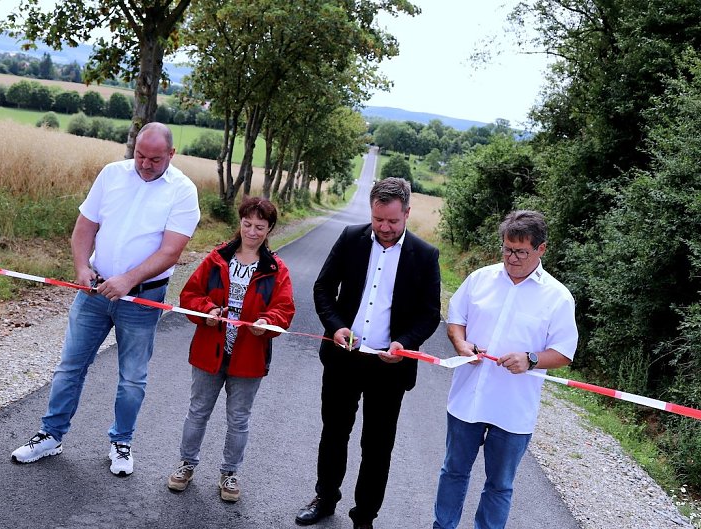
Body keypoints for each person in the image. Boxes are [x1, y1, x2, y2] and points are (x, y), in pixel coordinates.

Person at [11, 122, 200, 477]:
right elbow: (85, 226)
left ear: (171, 155)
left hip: (143, 300)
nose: (145, 164)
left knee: (132, 378)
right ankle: (50, 435)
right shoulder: (112, 174)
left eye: (155, 159)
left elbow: (171, 251)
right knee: (70, 366)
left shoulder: (183, 191)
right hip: (94, 291)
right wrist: (82, 268)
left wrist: (128, 280)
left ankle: (121, 443)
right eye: (140, 155)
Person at [295, 177, 442, 529]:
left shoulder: (424, 255)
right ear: (371, 211)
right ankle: (325, 498)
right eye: (378, 220)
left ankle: (364, 518)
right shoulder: (350, 239)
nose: (385, 228)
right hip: (343, 357)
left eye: (393, 221)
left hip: (390, 366)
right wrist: (335, 327)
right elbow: (323, 288)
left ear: (407, 212)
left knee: (377, 447)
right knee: (334, 433)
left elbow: (429, 314)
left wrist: (404, 343)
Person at [433, 210, 578, 529]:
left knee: (499, 485)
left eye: (520, 252)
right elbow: (455, 320)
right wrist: (461, 344)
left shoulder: (558, 298)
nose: (511, 258)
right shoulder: (480, 279)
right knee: (453, 471)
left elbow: (564, 352)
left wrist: (532, 359)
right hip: (467, 398)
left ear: (541, 249)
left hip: (513, 409)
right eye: (507, 249)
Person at [166, 196, 295, 502]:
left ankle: (230, 474)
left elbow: (285, 310)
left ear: (270, 229)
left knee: (239, 418)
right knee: (197, 411)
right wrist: (207, 311)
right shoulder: (216, 259)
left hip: (249, 357)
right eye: (247, 224)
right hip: (209, 351)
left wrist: (268, 320)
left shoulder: (276, 269)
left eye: (259, 226)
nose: (252, 231)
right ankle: (186, 465)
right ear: (240, 223)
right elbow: (190, 296)